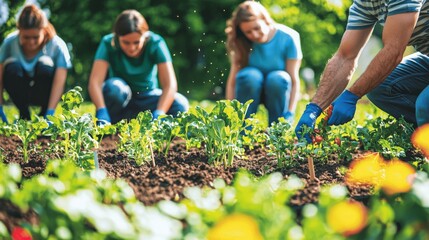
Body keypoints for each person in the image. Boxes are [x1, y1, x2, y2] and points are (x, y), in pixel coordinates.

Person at [295, 0, 429, 143]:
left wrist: (351, 95)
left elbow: (393, 51)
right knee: (380, 86)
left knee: (425, 104)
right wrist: (314, 108)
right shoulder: (365, 3)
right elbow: (345, 57)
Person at [88, 9, 189, 125]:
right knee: (114, 89)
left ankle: (148, 124)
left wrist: (160, 112)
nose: (131, 48)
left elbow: (170, 85)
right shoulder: (108, 42)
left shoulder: (156, 43)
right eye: (126, 42)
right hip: (120, 99)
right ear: (117, 37)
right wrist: (102, 110)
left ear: (145, 36)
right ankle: (112, 124)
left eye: (136, 42)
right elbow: (95, 82)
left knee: (180, 104)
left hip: (147, 99)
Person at [225, 1, 302, 125]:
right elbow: (232, 83)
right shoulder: (240, 42)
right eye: (248, 32)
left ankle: (277, 130)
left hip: (277, 92)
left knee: (278, 78)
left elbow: (293, 80)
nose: (254, 35)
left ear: (265, 20)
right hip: (249, 91)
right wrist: (229, 112)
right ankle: (243, 128)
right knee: (251, 76)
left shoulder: (289, 37)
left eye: (257, 28)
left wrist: (290, 112)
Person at [0, 4, 72, 123]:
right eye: (26, 37)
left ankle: (44, 115)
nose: (31, 42)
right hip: (20, 92)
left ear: (43, 30)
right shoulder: (9, 43)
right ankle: (24, 114)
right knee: (12, 66)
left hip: (43, 93)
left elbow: (59, 83)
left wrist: (50, 113)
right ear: (19, 30)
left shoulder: (57, 46)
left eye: (35, 37)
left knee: (45, 64)